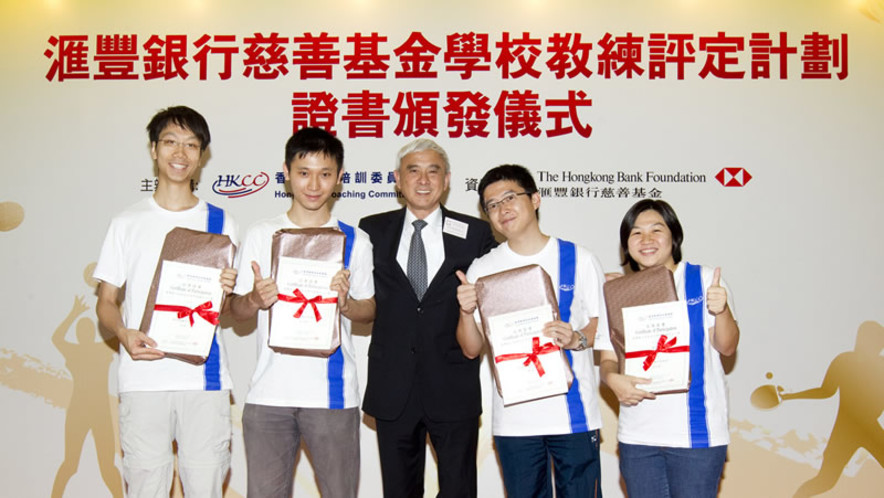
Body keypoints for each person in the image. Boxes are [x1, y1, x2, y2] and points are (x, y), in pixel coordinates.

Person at [94, 105, 239, 498]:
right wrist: (123, 332)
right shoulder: (126, 223)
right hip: (143, 378)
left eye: (191, 145)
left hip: (203, 379)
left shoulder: (220, 222)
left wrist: (226, 291)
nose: (181, 153)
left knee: (206, 487)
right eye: (171, 142)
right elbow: (106, 300)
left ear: (201, 155)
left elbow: (222, 312)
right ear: (154, 149)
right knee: (145, 487)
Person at [228, 127, 375, 498]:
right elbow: (234, 310)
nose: (314, 184)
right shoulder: (262, 234)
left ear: (339, 178)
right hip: (268, 395)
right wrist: (255, 300)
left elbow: (369, 309)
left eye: (325, 174)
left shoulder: (355, 239)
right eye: (304, 172)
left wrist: (346, 304)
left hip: (332, 396)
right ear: (286, 173)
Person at [454, 164, 606, 498]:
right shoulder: (483, 268)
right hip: (515, 420)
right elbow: (470, 348)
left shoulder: (578, 258)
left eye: (510, 198)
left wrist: (576, 338)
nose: (501, 209)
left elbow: (599, 325)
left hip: (573, 415)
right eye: (491, 205)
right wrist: (466, 312)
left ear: (535, 199)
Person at [359, 139, 496, 497]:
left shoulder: (476, 234)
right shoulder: (371, 230)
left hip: (453, 384)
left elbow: (498, 291)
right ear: (397, 180)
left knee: (459, 489)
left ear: (447, 179)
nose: (423, 180)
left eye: (433, 171)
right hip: (393, 386)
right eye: (413, 170)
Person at [596, 199, 739, 498]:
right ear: (626, 245)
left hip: (695, 437)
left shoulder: (703, 280)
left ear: (674, 236)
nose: (646, 240)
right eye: (636, 233)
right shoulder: (618, 291)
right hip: (638, 436)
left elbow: (727, 347)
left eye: (656, 230)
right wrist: (612, 379)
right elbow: (608, 359)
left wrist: (721, 310)